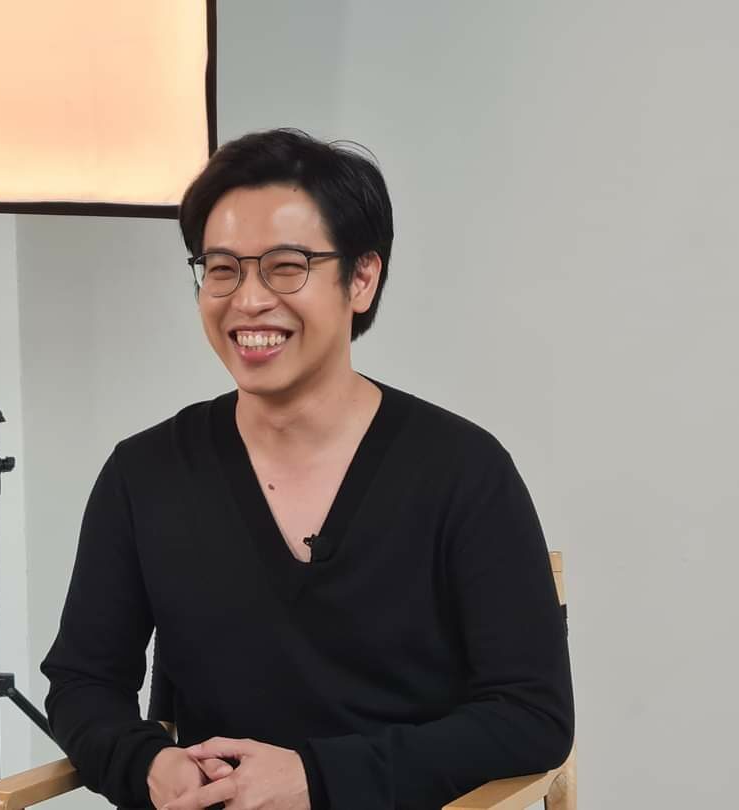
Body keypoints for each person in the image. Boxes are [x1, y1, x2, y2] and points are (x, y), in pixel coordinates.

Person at [40, 128, 574, 810]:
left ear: (362, 278)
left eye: (286, 266)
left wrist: (317, 780)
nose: (248, 300)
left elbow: (532, 716)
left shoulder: (464, 471)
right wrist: (149, 763)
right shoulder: (144, 474)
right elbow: (82, 681)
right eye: (222, 268)